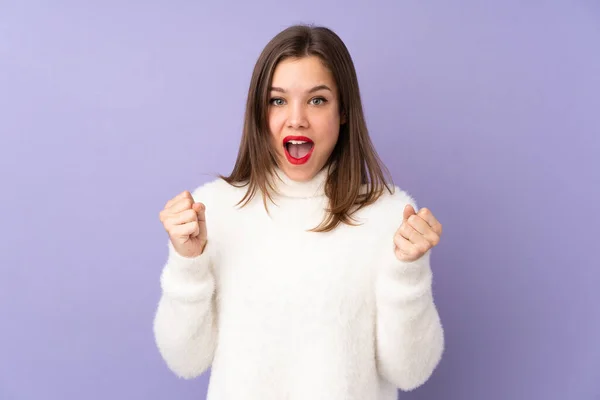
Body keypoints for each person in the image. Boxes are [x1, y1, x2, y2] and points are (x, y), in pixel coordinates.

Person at [153, 24, 444, 400]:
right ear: (259, 111)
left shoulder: (389, 217)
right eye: (277, 100)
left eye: (317, 100)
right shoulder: (214, 211)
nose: (296, 119)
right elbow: (184, 361)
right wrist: (187, 264)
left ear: (343, 112)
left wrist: (408, 274)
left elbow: (411, 371)